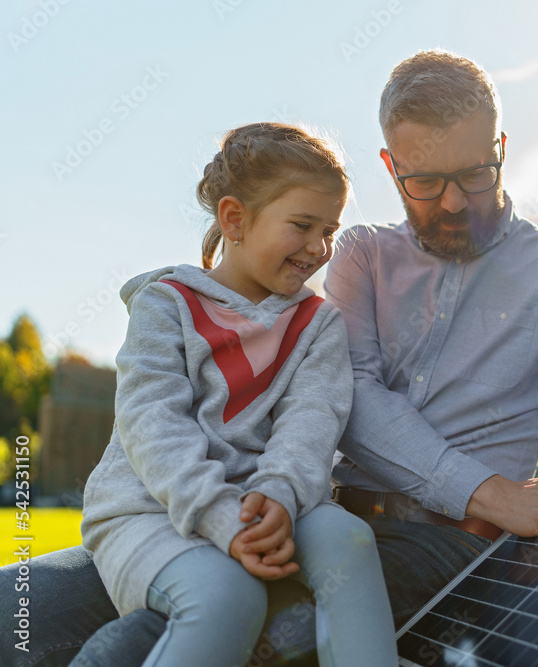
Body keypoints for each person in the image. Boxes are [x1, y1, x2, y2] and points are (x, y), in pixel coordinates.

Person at [0, 51, 538, 667]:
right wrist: (495, 488)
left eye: (474, 172)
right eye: (427, 182)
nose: (455, 201)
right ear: (391, 167)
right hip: (309, 513)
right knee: (23, 604)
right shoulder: (357, 255)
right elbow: (346, 392)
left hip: (442, 547)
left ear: (499, 146)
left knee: (169, 635)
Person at [76, 122, 396, 667]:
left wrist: (280, 493)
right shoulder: (166, 306)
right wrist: (219, 517)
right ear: (235, 219)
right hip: (152, 510)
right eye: (302, 225)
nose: (319, 249)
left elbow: (313, 421)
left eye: (330, 230)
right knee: (228, 595)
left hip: (269, 501)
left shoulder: (317, 325)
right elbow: (151, 423)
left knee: (350, 540)